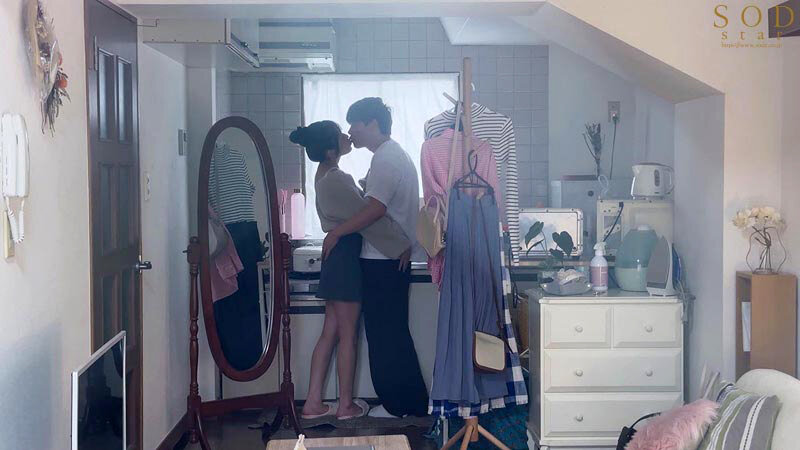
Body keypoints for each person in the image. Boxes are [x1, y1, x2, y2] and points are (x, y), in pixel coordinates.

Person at [289, 120, 411, 420]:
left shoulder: (324, 175)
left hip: (337, 259)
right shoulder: (337, 178)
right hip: (345, 260)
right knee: (347, 335)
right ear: (331, 151)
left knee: (330, 332)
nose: (347, 136)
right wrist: (400, 245)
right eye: (341, 135)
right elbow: (368, 218)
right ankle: (345, 406)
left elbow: (356, 209)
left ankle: (313, 403)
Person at [322, 98, 429, 418]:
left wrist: (337, 232)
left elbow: (375, 209)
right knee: (392, 331)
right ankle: (409, 403)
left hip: (383, 258)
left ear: (372, 124)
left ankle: (398, 406)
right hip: (390, 257)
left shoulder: (385, 159)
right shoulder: (392, 155)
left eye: (354, 124)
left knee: (385, 334)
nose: (351, 132)